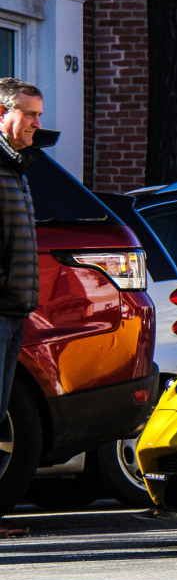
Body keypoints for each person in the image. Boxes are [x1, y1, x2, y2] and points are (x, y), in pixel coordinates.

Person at [0, 78, 42, 430]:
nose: (37, 124)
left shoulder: (15, 166)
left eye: (38, 115)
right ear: (2, 112)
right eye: (29, 114)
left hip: (13, 310)